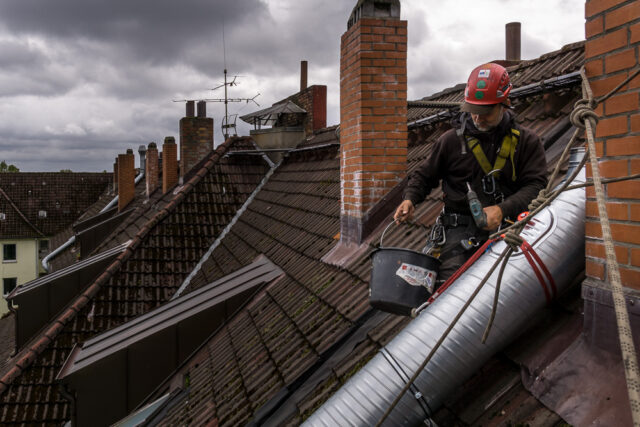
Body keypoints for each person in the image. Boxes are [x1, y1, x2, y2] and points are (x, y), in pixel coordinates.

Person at [394, 62, 548, 284]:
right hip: (460, 229)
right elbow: (424, 176)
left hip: (511, 227)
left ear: (505, 104)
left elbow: (536, 186)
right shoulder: (450, 141)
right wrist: (410, 199)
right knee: (450, 287)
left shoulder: (526, 142)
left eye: (485, 111)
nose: (477, 117)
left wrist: (503, 209)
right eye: (472, 110)